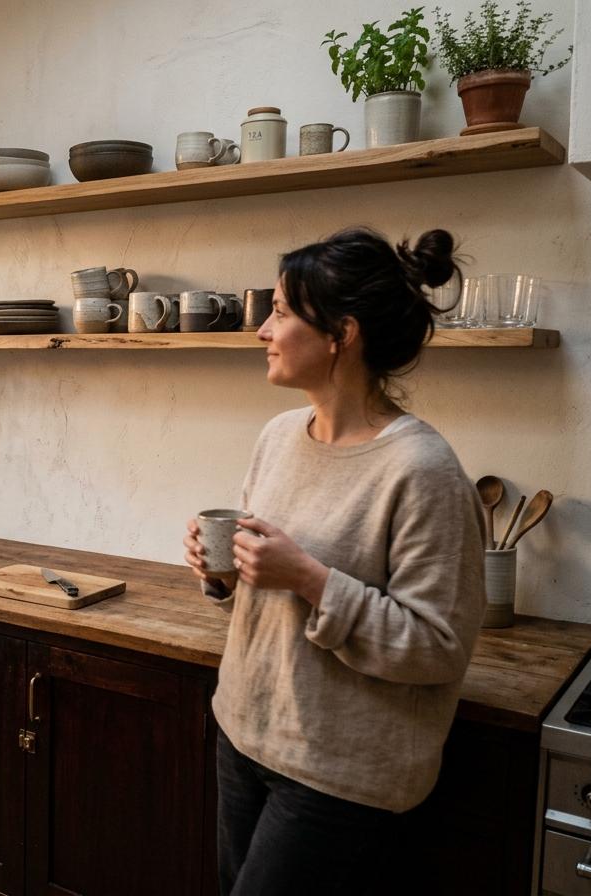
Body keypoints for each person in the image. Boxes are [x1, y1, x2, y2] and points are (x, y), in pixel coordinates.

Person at [182, 227, 486, 896]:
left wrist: (309, 578)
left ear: (340, 335)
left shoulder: (423, 470)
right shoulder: (279, 435)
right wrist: (219, 573)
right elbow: (257, 586)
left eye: (283, 311)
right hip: (244, 730)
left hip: (340, 772)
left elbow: (438, 647)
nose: (262, 327)